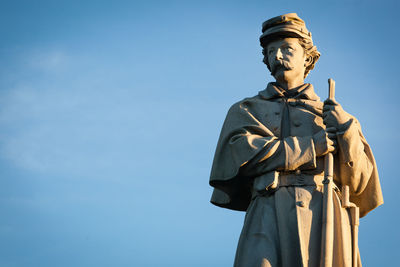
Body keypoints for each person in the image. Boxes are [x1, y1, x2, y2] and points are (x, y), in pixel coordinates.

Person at [209, 13, 383, 267]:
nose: (277, 56)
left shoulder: (336, 118)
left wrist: (346, 132)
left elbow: (360, 185)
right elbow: (243, 154)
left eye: (286, 49)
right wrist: (311, 146)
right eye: (271, 52)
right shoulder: (247, 110)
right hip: (267, 214)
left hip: (324, 215)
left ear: (307, 57)